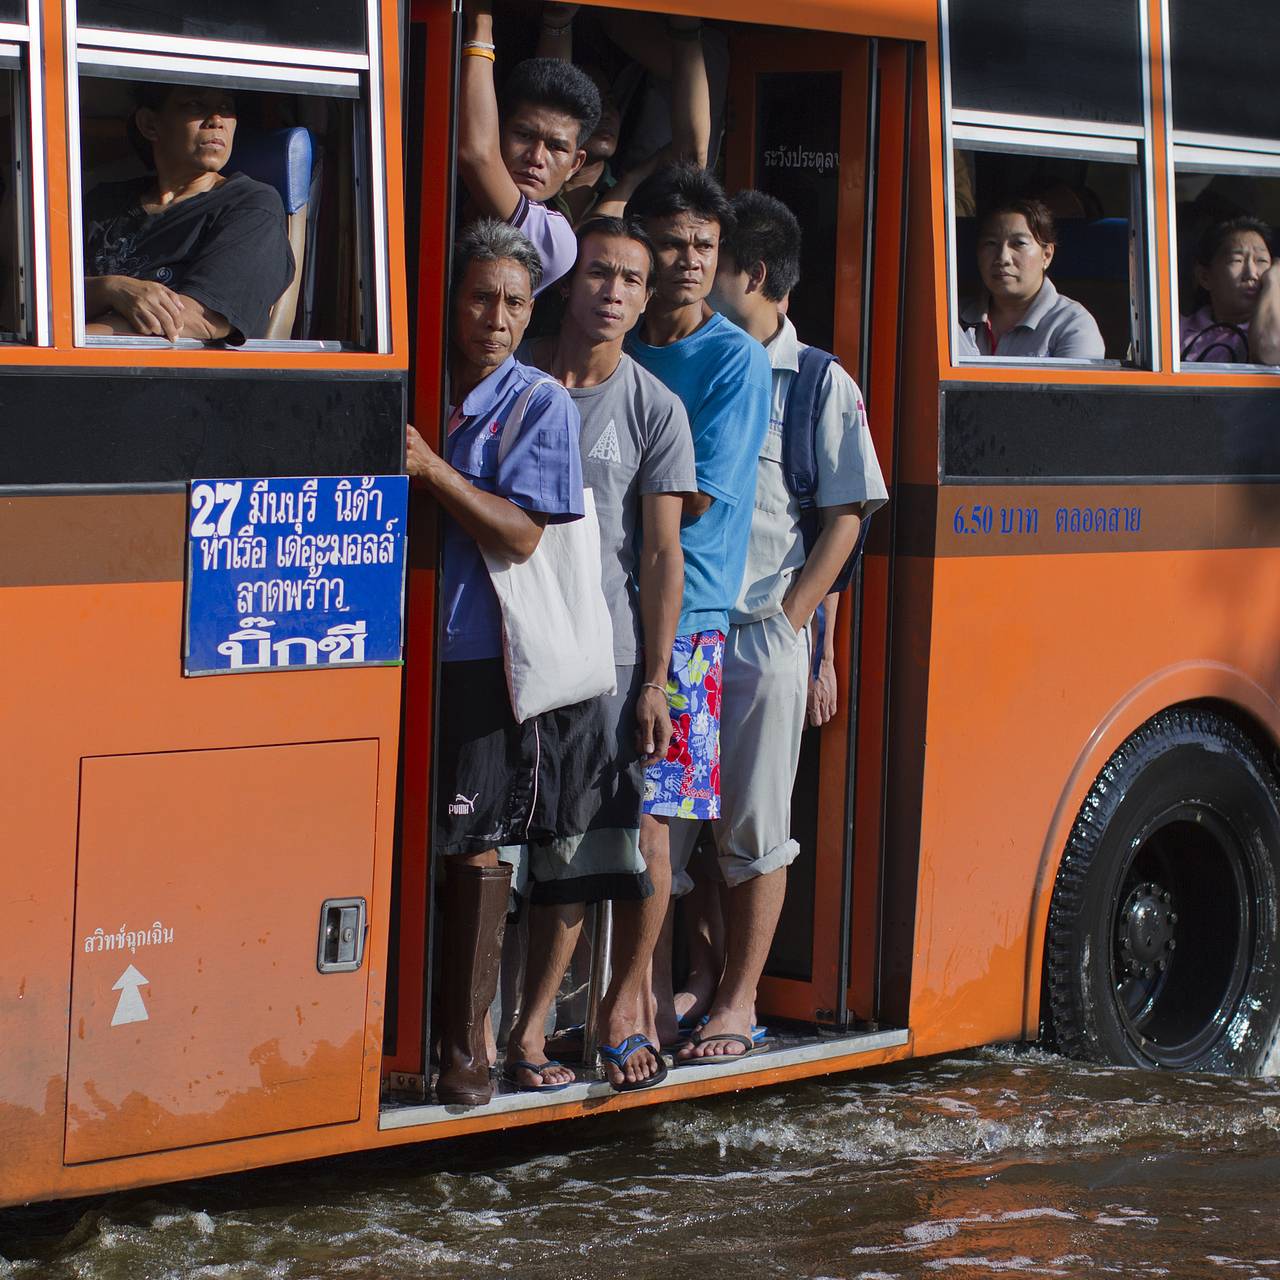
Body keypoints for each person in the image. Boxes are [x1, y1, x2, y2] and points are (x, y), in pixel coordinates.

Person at [677, 189, 887, 1061]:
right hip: (687, 631)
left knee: (756, 823)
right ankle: (690, 978)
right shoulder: (689, 357)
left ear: (753, 275)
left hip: (764, 631)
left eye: (713, 260)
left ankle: (738, 999)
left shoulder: (819, 382)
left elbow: (848, 512)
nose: (693, 275)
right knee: (675, 815)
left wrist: (800, 622)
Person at [405, 219, 602, 1108]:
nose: (494, 317)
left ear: (532, 316)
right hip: (399, 653)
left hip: (484, 657)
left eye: (514, 304)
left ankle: (464, 1051)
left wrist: (433, 472)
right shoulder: (419, 377)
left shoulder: (537, 403)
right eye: (480, 296)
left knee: (473, 846)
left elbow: (523, 536)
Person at [502, 215, 697, 1092]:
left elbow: (661, 555)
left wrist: (655, 680)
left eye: (630, 280)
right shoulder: (508, 375)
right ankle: (480, 1033)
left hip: (607, 659)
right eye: (597, 275)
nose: (612, 292)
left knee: (592, 852)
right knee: (495, 849)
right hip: (499, 641)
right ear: (565, 282)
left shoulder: (656, 408)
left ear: (646, 299)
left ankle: (547, 1030)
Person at [623, 163, 772, 1051]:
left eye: (704, 247)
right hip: (606, 599)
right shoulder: (614, 333)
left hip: (692, 619)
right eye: (672, 243)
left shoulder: (734, 360)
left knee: (664, 819)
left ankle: (646, 1001)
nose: (688, 261)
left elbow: (698, 499)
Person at [83, 84, 294, 343]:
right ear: (150, 124)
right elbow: (48, 298)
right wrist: (110, 288)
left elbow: (202, 320)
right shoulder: (104, 203)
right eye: (195, 105)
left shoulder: (252, 206)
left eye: (226, 108)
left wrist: (78, 342)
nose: (217, 121)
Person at [457, 0, 600, 292]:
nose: (536, 157)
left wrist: (481, 20)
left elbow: (477, 154)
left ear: (576, 164)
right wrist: (556, 22)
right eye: (523, 135)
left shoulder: (555, 238)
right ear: (498, 130)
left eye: (557, 148)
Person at [956, 198, 1105, 360]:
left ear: (1047, 255)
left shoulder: (1072, 325)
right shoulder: (952, 318)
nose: (1003, 257)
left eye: (1019, 243)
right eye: (991, 243)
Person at [1180, 216, 1280, 365]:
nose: (1252, 274)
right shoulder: (1178, 330)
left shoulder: (1274, 327)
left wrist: (1274, 280)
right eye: (1237, 260)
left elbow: (1270, 352)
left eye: (1262, 261)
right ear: (1205, 277)